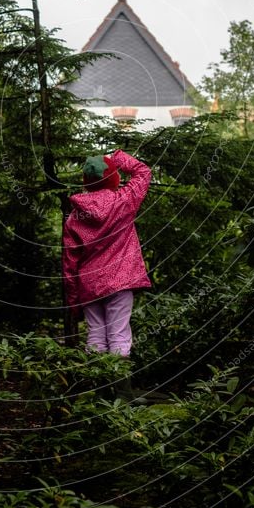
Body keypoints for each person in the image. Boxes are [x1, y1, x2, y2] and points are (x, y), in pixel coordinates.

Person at [62, 148, 152, 402]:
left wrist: (74, 301)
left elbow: (69, 262)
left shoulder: (74, 217)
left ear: (85, 182)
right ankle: (123, 397)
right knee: (119, 334)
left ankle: (100, 397)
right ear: (113, 179)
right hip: (120, 281)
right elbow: (143, 171)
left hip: (89, 285)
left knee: (96, 335)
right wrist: (119, 156)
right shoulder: (125, 200)